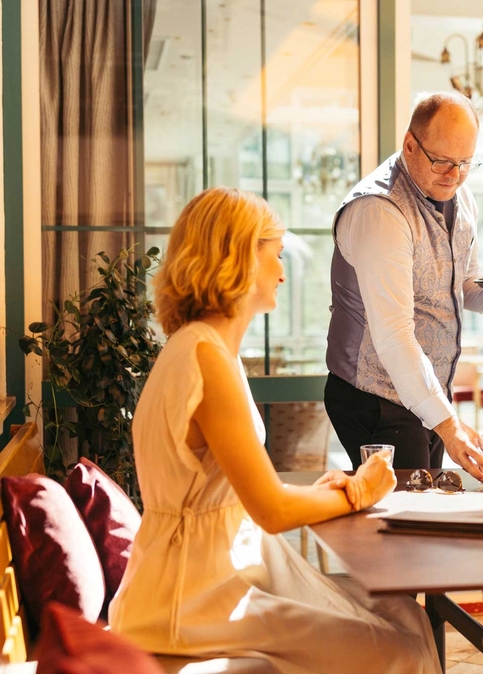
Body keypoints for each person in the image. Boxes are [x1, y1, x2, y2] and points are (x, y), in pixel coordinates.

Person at [110, 187, 440, 673]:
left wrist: (327, 490)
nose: (284, 270)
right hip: (192, 597)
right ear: (239, 256)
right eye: (276, 253)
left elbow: (229, 493)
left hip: (209, 574)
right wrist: (359, 492)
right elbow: (271, 510)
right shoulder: (205, 357)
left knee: (403, 615)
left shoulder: (204, 348)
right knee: (399, 647)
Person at [325, 91, 483, 480]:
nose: (454, 176)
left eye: (465, 163)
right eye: (442, 162)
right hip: (376, 398)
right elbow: (392, 335)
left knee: (425, 518)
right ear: (410, 145)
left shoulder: (463, 199)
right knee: (405, 525)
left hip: (428, 394)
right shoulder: (380, 211)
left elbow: (466, 290)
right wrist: (449, 424)